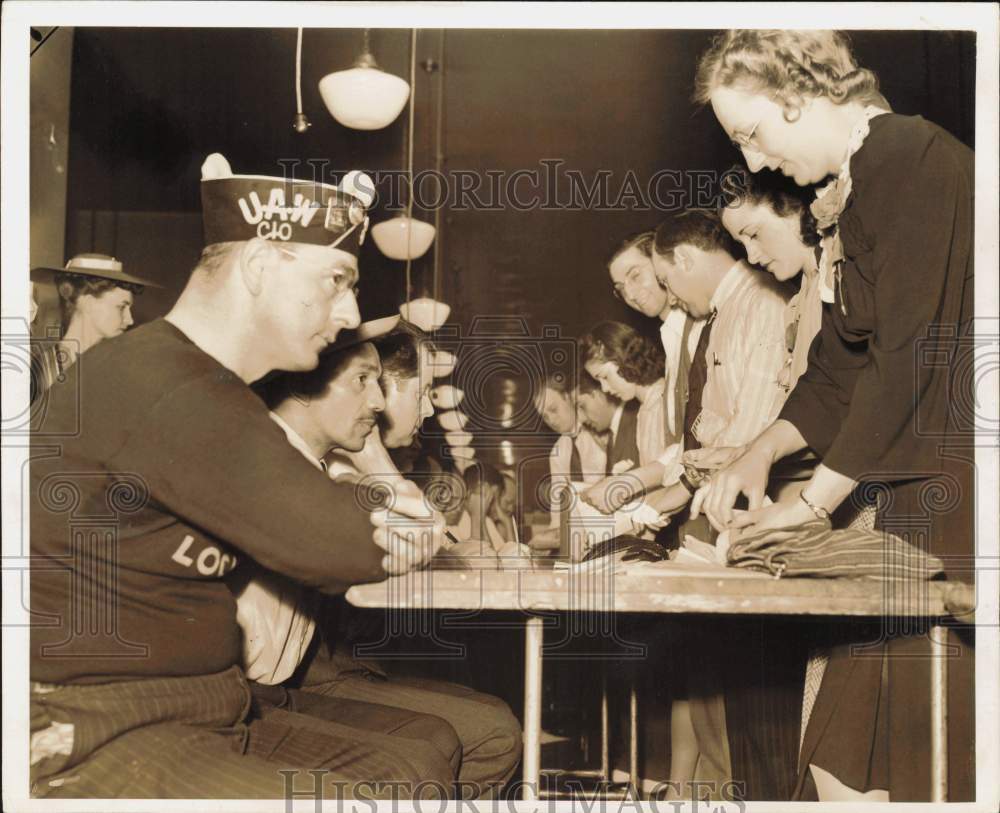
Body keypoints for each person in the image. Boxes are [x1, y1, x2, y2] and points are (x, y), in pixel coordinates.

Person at [29, 153, 452, 800]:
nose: (347, 313)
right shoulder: (170, 385)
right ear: (258, 266)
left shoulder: (196, 380)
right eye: (336, 280)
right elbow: (349, 543)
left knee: (413, 770)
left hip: (199, 709)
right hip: (98, 728)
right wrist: (379, 484)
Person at [693, 29, 975, 802]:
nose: (753, 163)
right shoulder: (846, 194)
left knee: (925, 765)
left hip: (961, 498)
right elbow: (839, 367)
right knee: (842, 762)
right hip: (905, 499)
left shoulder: (911, 158)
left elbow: (910, 357)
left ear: (799, 95)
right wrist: (760, 449)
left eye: (751, 134)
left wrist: (810, 505)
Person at [247, 329, 522, 799]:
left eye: (379, 384)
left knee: (465, 733)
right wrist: (374, 455)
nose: (377, 402)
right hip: (264, 687)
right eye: (362, 381)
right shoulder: (295, 472)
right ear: (302, 386)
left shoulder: (310, 465)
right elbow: (419, 542)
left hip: (282, 680)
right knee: (445, 747)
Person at [29, 254, 158, 403]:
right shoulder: (42, 373)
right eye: (121, 307)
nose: (130, 320)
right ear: (88, 303)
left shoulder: (117, 369)